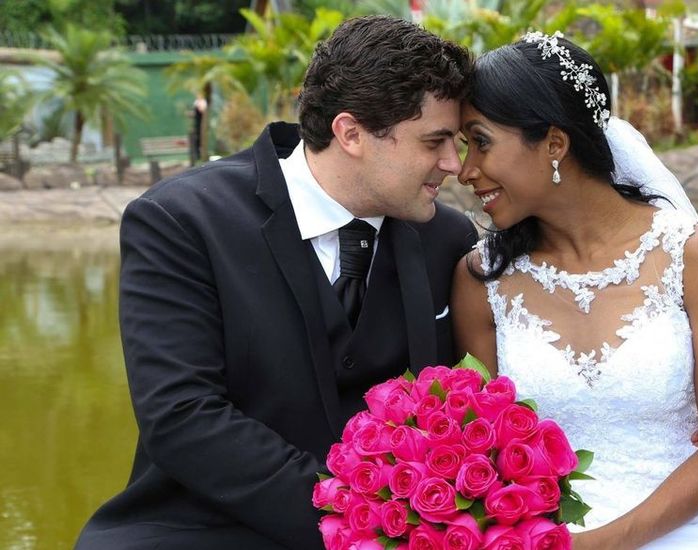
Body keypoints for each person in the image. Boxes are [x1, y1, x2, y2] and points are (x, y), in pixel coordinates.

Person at [75, 16, 476, 550]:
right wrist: (355, 525)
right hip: (201, 531)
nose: (453, 163)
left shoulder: (447, 238)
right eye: (435, 141)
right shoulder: (181, 220)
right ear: (351, 133)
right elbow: (182, 417)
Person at [451, 32, 698, 549]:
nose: (465, 170)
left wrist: (600, 543)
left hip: (697, 524)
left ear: (554, 144)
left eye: (481, 141)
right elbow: (483, 448)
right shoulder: (482, 281)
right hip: (544, 530)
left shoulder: (695, 257)